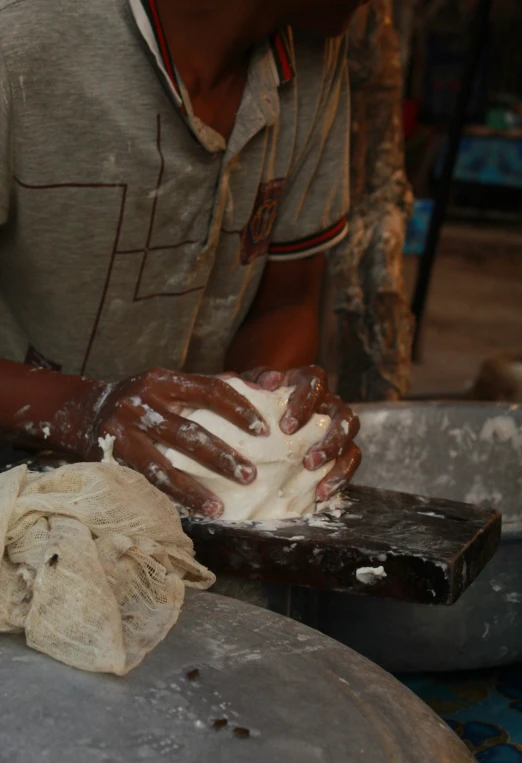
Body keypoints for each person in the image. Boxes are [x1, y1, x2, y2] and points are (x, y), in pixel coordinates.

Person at [0, 0, 365, 517]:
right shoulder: (18, 40)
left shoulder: (314, 45)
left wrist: (273, 416)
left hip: (177, 508)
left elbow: (288, 302)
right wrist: (81, 411)